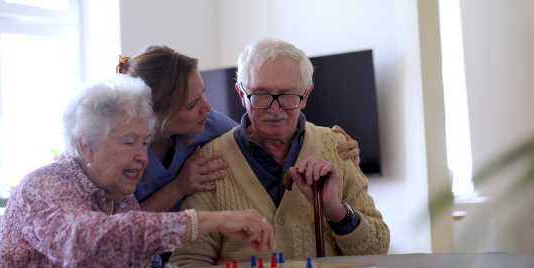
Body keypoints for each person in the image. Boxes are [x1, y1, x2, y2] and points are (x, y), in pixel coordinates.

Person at [0, 75, 275, 268]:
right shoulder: (43, 186)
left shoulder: (121, 200)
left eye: (145, 142)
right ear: (87, 145)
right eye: (129, 143)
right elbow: (86, 242)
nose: (142, 156)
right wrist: (212, 221)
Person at [170, 38, 389, 268]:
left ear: (306, 95)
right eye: (261, 95)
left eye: (287, 95)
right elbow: (189, 262)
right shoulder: (211, 161)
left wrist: (337, 212)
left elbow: (377, 249)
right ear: (241, 94)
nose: (275, 110)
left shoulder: (338, 148)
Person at [120, 45, 362, 214]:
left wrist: (332, 146)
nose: (207, 107)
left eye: (203, 93)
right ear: (154, 116)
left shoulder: (210, 124)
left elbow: (256, 145)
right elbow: (115, 229)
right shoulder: (114, 150)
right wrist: (179, 187)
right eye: (192, 105)